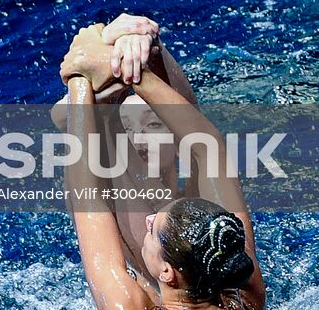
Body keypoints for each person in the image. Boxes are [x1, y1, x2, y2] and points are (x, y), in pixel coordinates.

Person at [57, 20, 266, 309]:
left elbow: (89, 201)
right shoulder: (241, 293)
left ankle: (103, 105)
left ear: (168, 272)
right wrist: (131, 68)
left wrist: (81, 77)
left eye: (153, 229)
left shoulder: (127, 303)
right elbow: (208, 150)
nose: (149, 219)